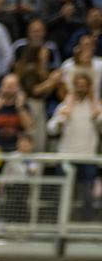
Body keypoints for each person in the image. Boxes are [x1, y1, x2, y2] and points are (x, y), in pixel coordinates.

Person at [48, 73, 102, 221]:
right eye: (78, 85)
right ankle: (59, 224)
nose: (81, 88)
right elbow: (51, 128)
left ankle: (85, 225)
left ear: (89, 87)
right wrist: (61, 120)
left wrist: (97, 115)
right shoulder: (64, 105)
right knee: (62, 194)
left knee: (87, 195)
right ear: (74, 87)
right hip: (66, 156)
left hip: (88, 157)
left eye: (84, 85)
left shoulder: (97, 107)